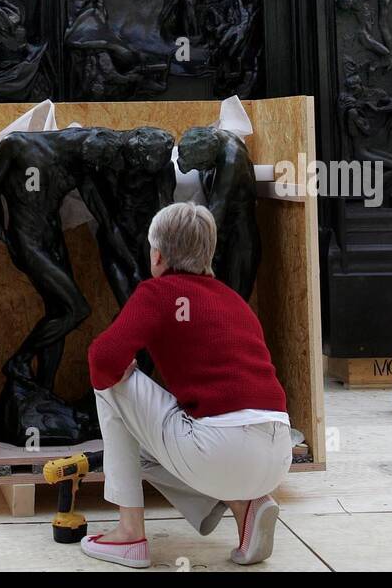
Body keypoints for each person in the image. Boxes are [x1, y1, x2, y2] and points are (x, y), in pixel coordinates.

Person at [84, 201, 292, 568]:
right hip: (277, 455)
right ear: (208, 253)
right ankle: (243, 503)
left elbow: (102, 359)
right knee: (142, 456)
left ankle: (129, 535)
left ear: (158, 255)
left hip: (220, 449)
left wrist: (123, 370)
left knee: (112, 385)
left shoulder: (159, 292)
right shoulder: (234, 301)